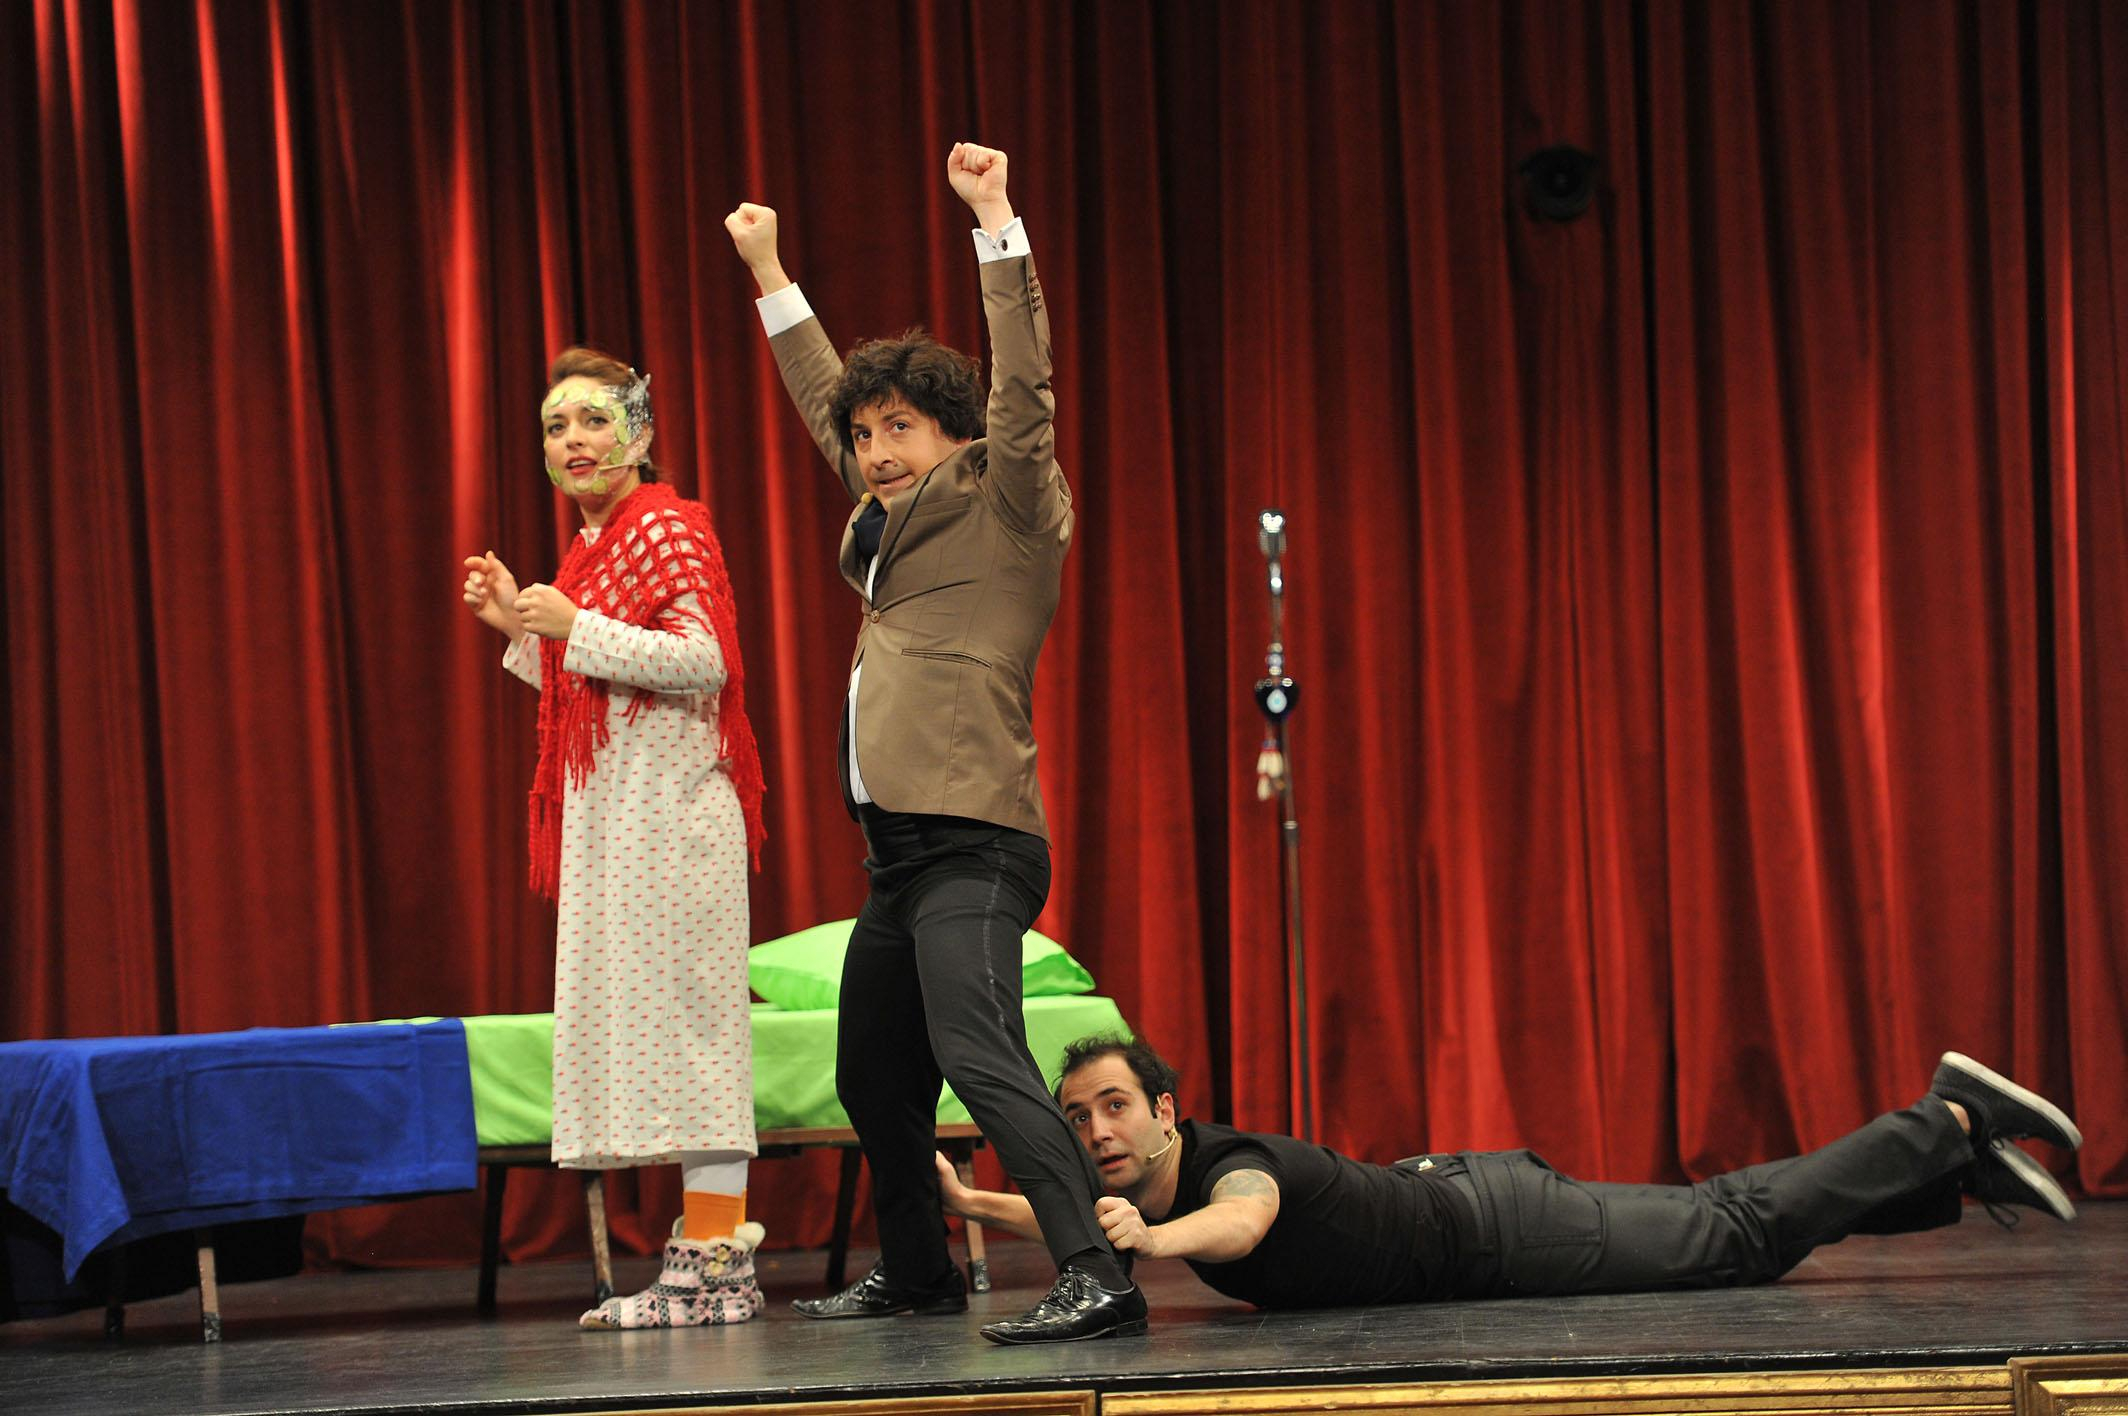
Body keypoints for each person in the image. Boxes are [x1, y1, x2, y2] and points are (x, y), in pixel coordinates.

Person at [723, 145, 1143, 1346]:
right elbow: (821, 395)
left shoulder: (1008, 497)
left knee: (979, 1049)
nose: (871, 450)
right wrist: (769, 272)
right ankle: (915, 1271)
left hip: (977, 842)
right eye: (863, 436)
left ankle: (1095, 1272)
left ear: (957, 435)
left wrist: (995, 219)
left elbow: (1027, 383)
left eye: (898, 428)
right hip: (899, 859)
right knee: (874, 1073)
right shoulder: (887, 521)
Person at [936, 1037, 2083, 1310]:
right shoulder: (1146, 1190)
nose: (1094, 1131)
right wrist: (977, 1201)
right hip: (1474, 1204)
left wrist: (1152, 1245)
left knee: (1731, 1231)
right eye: (1077, 1117)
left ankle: (1947, 1117)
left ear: (1165, 1112)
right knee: (1734, 1229)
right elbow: (1077, 1217)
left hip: (1500, 1229)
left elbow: (1242, 1224)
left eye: (1114, 1107)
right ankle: (1953, 1176)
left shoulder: (1228, 1169)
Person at [460, 348, 769, 1330]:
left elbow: (705, 661)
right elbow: (593, 688)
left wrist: (572, 623)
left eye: (594, 419)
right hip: (623, 827)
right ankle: (707, 1266)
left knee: (699, 1040)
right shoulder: (592, 550)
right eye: (556, 426)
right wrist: (520, 627)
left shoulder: (666, 527)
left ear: (639, 434)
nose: (574, 441)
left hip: (675, 825)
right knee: (662, 1039)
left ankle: (714, 1269)